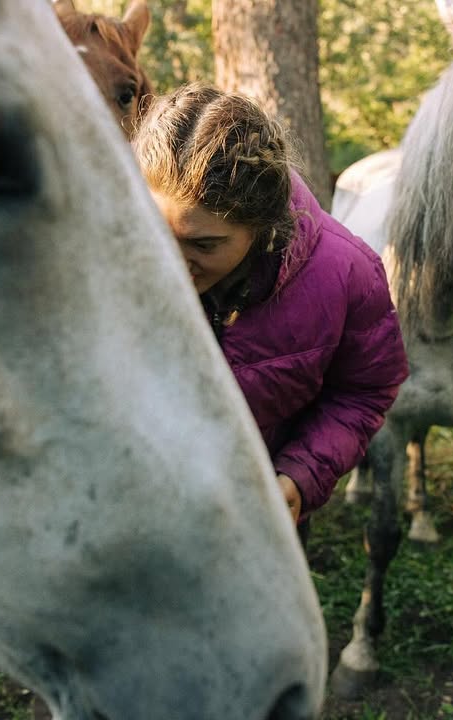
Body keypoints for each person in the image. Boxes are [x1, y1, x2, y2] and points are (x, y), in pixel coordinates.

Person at [132, 83, 409, 542]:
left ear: (262, 227)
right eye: (157, 232)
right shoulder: (108, 249)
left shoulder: (347, 275)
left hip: (255, 525)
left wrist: (301, 474)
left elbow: (366, 388)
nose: (173, 262)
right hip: (132, 511)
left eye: (204, 245)